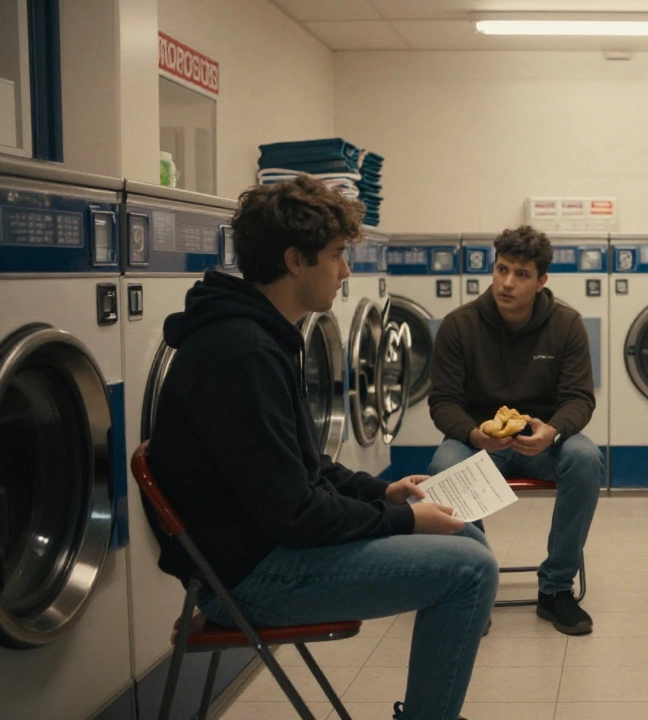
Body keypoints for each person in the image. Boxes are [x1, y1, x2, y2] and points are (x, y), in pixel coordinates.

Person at [146, 176, 497, 720]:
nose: (346, 271)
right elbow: (296, 514)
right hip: (252, 573)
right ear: (294, 260)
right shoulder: (243, 354)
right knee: (471, 570)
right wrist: (403, 522)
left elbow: (304, 465)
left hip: (253, 551)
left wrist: (386, 492)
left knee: (467, 533)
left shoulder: (260, 336)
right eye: (336, 256)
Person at [426, 225, 602, 636]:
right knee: (443, 463)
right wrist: (473, 434)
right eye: (502, 269)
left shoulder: (566, 324)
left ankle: (556, 589)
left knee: (585, 456)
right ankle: (475, 586)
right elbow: (443, 401)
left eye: (521, 274)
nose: (507, 283)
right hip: (479, 441)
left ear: (542, 281)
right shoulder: (459, 325)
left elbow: (579, 398)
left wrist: (553, 431)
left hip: (541, 442)